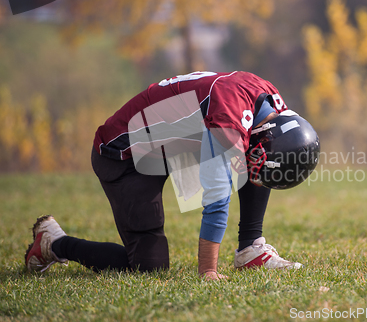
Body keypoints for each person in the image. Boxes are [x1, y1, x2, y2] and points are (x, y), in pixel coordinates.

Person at [25, 71, 320, 280]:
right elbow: (216, 200)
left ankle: (250, 249)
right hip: (125, 155)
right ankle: (54, 242)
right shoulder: (229, 115)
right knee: (147, 266)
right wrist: (208, 271)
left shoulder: (269, 105)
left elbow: (258, 149)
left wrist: (255, 165)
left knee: (255, 157)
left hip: (172, 144)